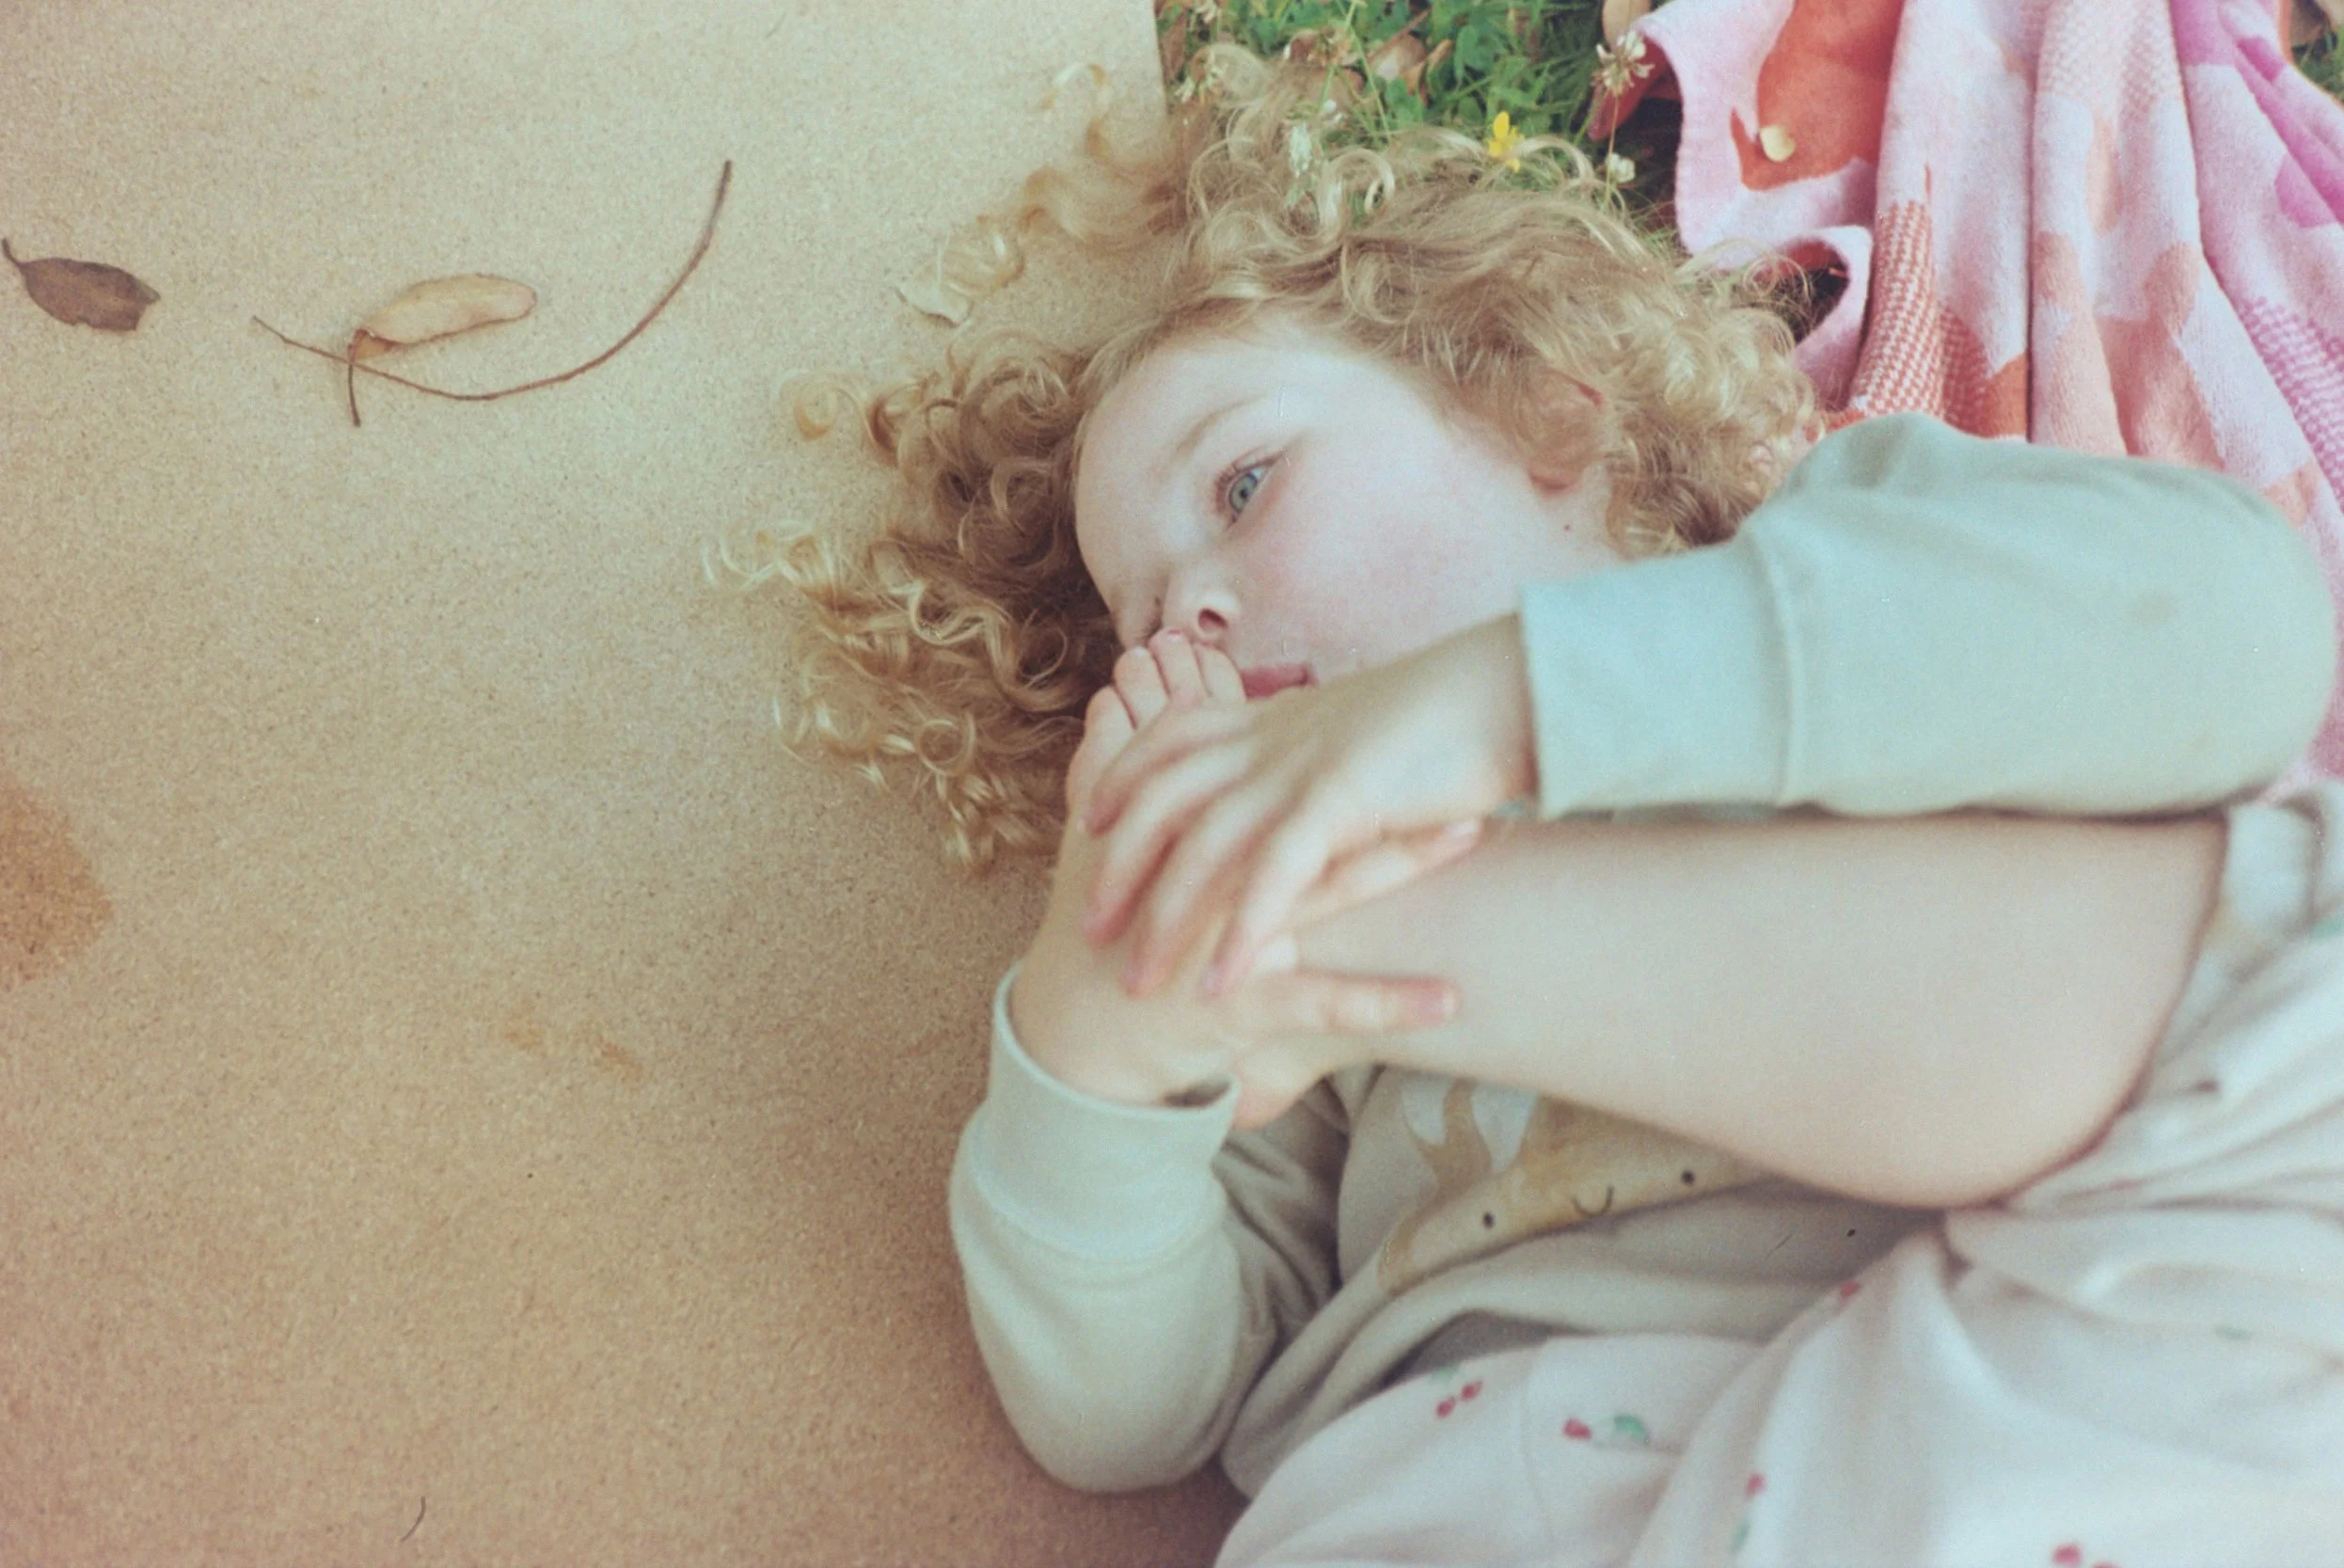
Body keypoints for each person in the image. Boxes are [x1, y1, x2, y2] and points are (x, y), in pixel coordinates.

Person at [736, 46, 2344, 1565]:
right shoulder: (1307, 1033)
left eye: (1243, 489)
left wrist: (1496, 700)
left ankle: (1441, 911)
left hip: (2005, 1409)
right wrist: (1098, 1035)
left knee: (2294, 939)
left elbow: (2235, 631)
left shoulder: (1844, 568)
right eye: (1143, 615)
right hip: (1484, 1494)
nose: (1188, 624)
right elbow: (1132, 1412)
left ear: (1542, 410)